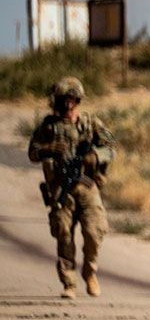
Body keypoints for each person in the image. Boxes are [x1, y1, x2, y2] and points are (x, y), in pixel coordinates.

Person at [27, 76, 115, 299]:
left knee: (94, 231)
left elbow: (111, 148)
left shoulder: (90, 124)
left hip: (87, 187)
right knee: (63, 232)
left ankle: (90, 271)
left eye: (72, 99)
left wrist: (94, 157)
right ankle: (69, 282)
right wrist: (48, 149)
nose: (68, 104)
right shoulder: (48, 127)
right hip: (61, 189)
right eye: (63, 100)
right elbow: (33, 153)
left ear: (77, 100)